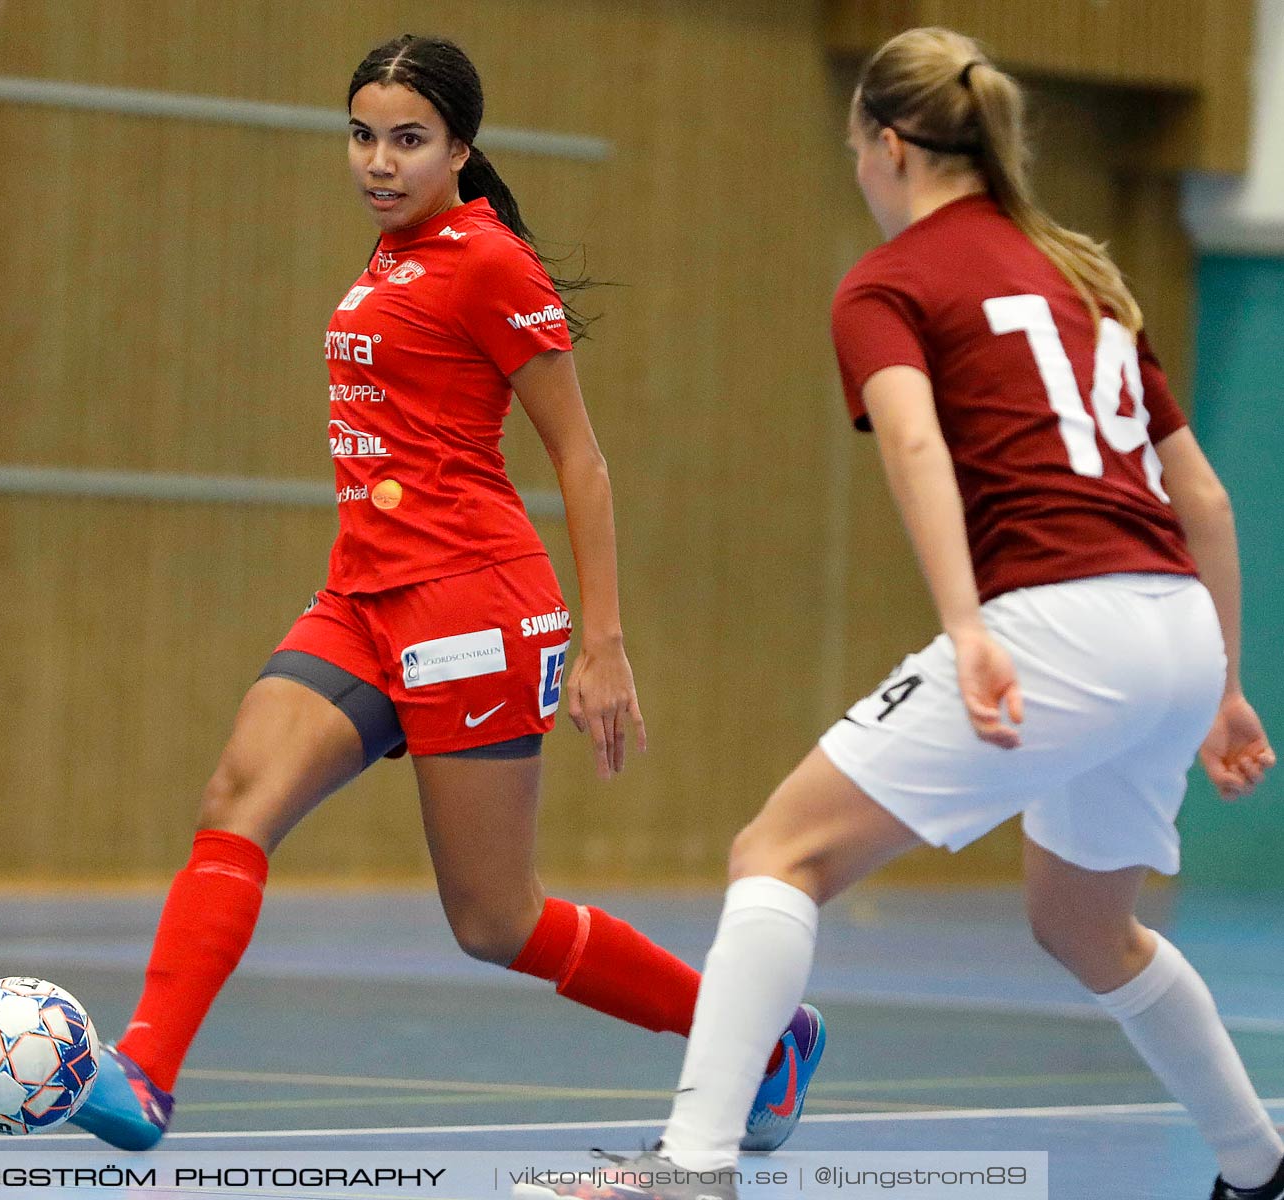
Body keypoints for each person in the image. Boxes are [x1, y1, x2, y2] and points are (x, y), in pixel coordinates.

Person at [518, 26, 1281, 1200]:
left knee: (777, 853)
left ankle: (690, 1165)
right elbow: (1206, 497)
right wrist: (1222, 687)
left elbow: (917, 443)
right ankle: (1255, 1165)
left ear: (886, 147)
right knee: (1087, 929)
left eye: (853, 155)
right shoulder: (1085, 279)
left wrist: (969, 626)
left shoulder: (891, 281)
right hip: (1172, 625)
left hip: (1060, 621)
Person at [64, 33, 824, 1153]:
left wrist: (602, 642)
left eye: (408, 141)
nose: (379, 162)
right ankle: (146, 1074)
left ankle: (759, 1040)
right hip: (360, 597)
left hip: (471, 610)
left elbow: (581, 460)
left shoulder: (487, 262)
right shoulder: (388, 256)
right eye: (363, 137)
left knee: (492, 921)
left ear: (461, 147)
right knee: (236, 801)